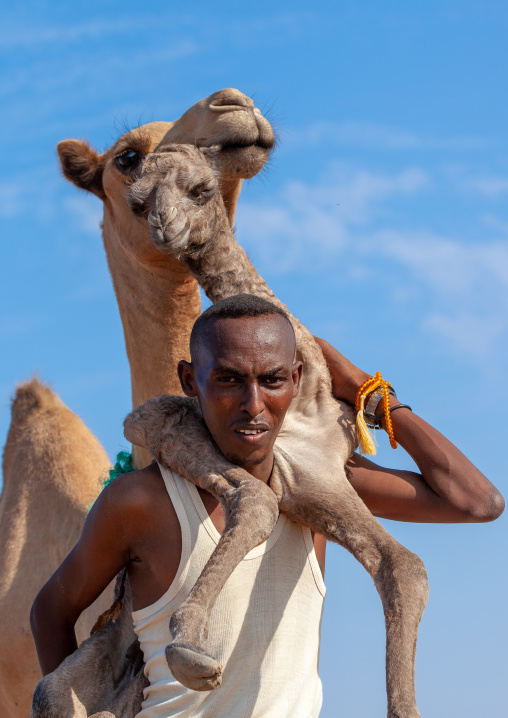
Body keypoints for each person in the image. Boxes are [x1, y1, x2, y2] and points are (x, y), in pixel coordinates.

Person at [31, 294, 504, 718]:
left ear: (297, 380)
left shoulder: (323, 485)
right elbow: (51, 609)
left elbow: (476, 501)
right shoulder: (143, 501)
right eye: (230, 380)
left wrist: (367, 388)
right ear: (189, 380)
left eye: (273, 379)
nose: (253, 404)